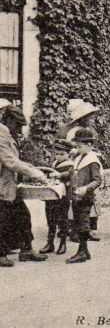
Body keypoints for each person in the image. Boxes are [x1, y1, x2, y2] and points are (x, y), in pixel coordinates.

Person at [0, 105, 49, 267]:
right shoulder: (1, 133)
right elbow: (9, 161)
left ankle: (26, 250)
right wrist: (35, 174)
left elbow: (14, 159)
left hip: (8, 185)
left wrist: (30, 167)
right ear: (9, 120)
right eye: (18, 124)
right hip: (2, 186)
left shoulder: (7, 133)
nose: (19, 129)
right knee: (3, 220)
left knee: (23, 215)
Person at [62, 99, 101, 241]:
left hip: (88, 161)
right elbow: (71, 149)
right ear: (81, 118)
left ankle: (87, 228)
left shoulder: (90, 130)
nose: (91, 119)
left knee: (89, 199)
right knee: (76, 200)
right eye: (88, 117)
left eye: (91, 116)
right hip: (77, 163)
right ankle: (74, 229)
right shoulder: (74, 131)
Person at [67, 128, 102, 264]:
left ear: (89, 145)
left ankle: (82, 251)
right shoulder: (80, 158)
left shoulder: (92, 161)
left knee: (83, 224)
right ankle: (84, 251)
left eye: (80, 146)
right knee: (78, 222)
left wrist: (86, 188)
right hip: (76, 196)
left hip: (84, 197)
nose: (77, 148)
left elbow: (97, 180)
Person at [39, 137, 74, 255]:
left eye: (62, 154)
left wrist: (59, 175)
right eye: (57, 154)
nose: (59, 156)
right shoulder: (54, 163)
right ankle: (50, 243)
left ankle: (62, 243)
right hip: (51, 196)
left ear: (68, 154)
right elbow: (48, 172)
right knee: (50, 219)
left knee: (62, 220)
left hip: (62, 198)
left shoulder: (70, 165)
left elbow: (69, 174)